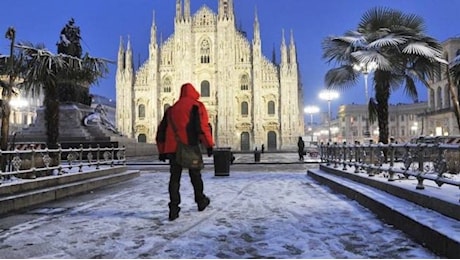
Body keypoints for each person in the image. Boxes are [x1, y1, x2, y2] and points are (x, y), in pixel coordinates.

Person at [156, 83, 215, 221]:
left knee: (174, 179)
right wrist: (209, 145)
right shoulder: (196, 106)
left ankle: (174, 209)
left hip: (172, 149)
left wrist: (162, 151)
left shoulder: (171, 109)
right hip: (189, 147)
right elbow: (202, 127)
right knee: (195, 176)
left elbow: (161, 131)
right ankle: (200, 201)